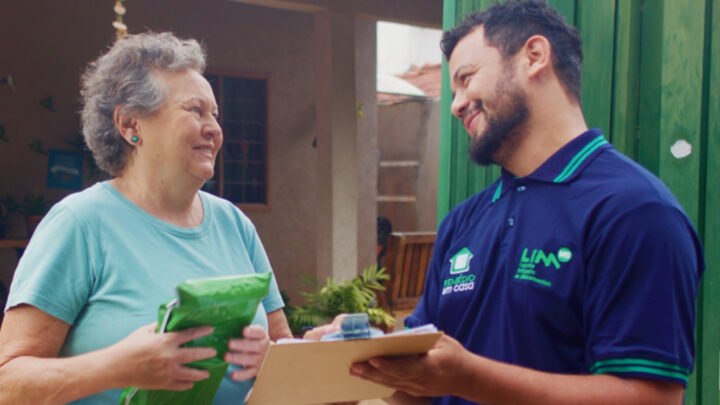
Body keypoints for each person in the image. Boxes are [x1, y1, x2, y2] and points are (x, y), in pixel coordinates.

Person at [349, 1, 704, 404]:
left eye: (467, 78)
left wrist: (467, 377)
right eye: (453, 90)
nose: (456, 104)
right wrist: (353, 362)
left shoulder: (635, 211)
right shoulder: (463, 221)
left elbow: (652, 399)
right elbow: (419, 388)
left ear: (534, 57)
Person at [0, 32, 292, 404]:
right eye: (195, 111)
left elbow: (283, 348)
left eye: (215, 115)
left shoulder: (234, 224)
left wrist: (270, 358)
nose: (214, 129)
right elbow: (7, 383)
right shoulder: (80, 223)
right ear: (130, 125)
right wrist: (117, 367)